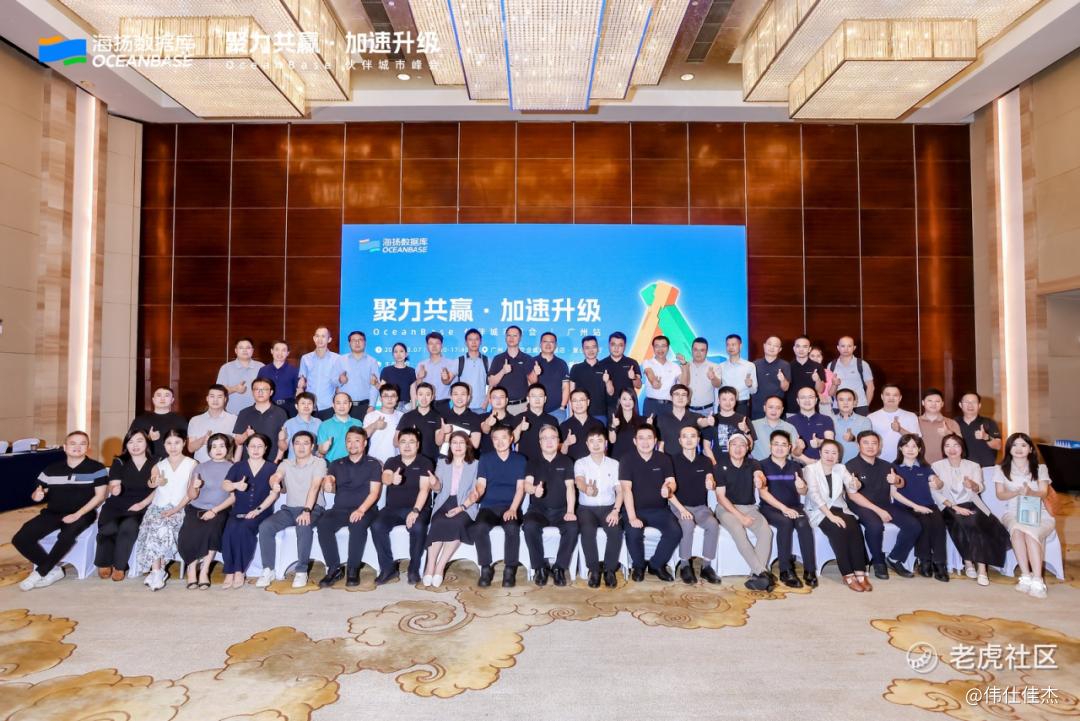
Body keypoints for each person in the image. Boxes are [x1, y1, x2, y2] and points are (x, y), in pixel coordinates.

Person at [16, 431, 108, 591]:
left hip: (83, 513)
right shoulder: (51, 469)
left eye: (82, 443)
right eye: (73, 443)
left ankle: (40, 573)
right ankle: (53, 569)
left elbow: (99, 496)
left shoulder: (96, 468)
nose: (77, 447)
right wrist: (36, 496)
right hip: (53, 512)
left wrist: (78, 514)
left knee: (66, 535)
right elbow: (38, 493)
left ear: (88, 447)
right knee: (21, 538)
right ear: (65, 447)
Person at [931, 433, 1009, 587]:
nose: (952, 449)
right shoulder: (936, 466)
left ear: (962, 448)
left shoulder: (973, 466)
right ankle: (969, 563)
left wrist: (972, 485)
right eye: (947, 445)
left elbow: (979, 488)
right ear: (943, 449)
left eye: (956, 445)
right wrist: (955, 507)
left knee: (981, 525)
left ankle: (981, 569)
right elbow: (934, 492)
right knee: (966, 523)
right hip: (949, 506)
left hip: (972, 503)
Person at [255, 431, 329, 589]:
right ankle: (268, 569)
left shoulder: (319, 463)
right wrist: (274, 482)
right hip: (289, 509)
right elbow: (276, 476)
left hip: (313, 508)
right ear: (292, 446)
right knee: (265, 526)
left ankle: (301, 571)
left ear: (312, 446)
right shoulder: (286, 463)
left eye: (306, 443)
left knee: (303, 524)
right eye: (297, 443)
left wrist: (307, 510)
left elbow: (315, 487)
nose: (301, 447)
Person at [844, 430, 920, 579]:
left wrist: (897, 480)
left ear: (879, 446)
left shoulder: (886, 465)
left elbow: (900, 484)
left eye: (874, 443)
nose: (870, 446)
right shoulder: (850, 466)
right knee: (875, 526)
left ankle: (894, 559)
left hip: (884, 503)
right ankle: (878, 562)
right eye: (866, 443)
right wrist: (878, 511)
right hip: (860, 505)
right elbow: (853, 495)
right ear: (858, 445)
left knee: (914, 525)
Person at [316, 427, 383, 588]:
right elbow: (330, 484)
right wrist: (328, 483)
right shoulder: (336, 463)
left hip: (366, 509)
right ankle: (334, 569)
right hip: (340, 509)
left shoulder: (373, 464)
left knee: (357, 524)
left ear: (364, 443)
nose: (352, 444)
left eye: (357, 441)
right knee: (323, 524)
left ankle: (353, 568)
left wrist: (361, 510)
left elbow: (374, 493)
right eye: (349, 441)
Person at [804, 440, 872, 592]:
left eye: (834, 453)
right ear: (820, 453)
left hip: (839, 507)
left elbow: (852, 486)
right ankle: (847, 574)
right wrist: (831, 516)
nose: (830, 456)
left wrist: (855, 484)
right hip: (819, 510)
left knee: (854, 527)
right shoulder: (810, 469)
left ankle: (860, 573)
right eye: (826, 452)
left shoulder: (840, 468)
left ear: (838, 455)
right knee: (837, 529)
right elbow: (814, 496)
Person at [132, 429, 196, 590]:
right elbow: (152, 483)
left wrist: (176, 509)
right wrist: (154, 482)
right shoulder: (159, 465)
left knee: (162, 526)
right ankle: (157, 571)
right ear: (164, 445)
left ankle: (157, 571)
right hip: (157, 507)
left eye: (177, 443)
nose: (173, 447)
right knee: (154, 523)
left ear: (184, 443)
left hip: (180, 508)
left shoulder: (192, 464)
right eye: (169, 443)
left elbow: (191, 493)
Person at [994, 433, 1055, 599]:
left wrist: (1030, 492)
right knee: (1017, 531)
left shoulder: (1040, 468)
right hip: (1013, 512)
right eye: (1014, 445)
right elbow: (1000, 495)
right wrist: (1016, 492)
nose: (1019, 449)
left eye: (1023, 445)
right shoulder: (1001, 469)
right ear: (1009, 449)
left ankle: (1038, 580)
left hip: (1039, 512)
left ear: (1030, 449)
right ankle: (1026, 575)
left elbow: (1043, 493)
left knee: (1030, 533)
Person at [619, 424, 681, 582]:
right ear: (635, 441)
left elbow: (672, 482)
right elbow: (626, 489)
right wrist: (632, 517)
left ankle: (656, 565)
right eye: (641, 438)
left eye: (649, 438)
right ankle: (638, 566)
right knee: (633, 532)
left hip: (660, 510)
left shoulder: (664, 459)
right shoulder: (627, 459)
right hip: (635, 510)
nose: (645, 442)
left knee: (675, 532)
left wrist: (669, 488)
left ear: (655, 441)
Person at [372, 428, 434, 585]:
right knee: (377, 525)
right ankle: (388, 569)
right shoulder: (392, 461)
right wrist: (392, 478)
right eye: (403, 442)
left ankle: (414, 568)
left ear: (418, 445)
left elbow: (424, 489)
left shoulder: (425, 462)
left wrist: (415, 511)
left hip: (419, 508)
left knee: (418, 527)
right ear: (398, 444)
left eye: (411, 442)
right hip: (392, 509)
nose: (407, 446)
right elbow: (385, 477)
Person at [712, 434, 773, 591]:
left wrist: (760, 480)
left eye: (742, 445)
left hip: (749, 507)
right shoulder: (720, 465)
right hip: (726, 508)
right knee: (738, 531)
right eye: (734, 444)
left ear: (747, 448)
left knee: (766, 532)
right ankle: (763, 572)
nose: (738, 448)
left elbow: (759, 476)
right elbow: (720, 497)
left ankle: (757, 576)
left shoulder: (753, 463)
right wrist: (740, 517)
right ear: (728, 446)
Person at [757, 431, 817, 588]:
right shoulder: (761, 465)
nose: (779, 448)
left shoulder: (795, 466)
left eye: (783, 445)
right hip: (770, 508)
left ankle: (810, 570)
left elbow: (802, 491)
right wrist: (783, 508)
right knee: (785, 523)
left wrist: (802, 487)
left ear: (789, 447)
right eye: (776, 444)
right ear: (770, 446)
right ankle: (785, 571)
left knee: (803, 524)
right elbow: (762, 493)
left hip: (794, 506)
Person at [520, 425, 579, 586]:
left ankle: (559, 568)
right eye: (544, 438)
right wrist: (534, 490)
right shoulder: (533, 462)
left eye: (553, 437)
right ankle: (539, 567)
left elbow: (570, 487)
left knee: (573, 527)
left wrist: (570, 511)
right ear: (540, 442)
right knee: (529, 526)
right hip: (538, 510)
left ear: (558, 441)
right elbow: (527, 485)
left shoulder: (566, 461)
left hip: (561, 511)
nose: (549, 441)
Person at [94, 429, 155, 582]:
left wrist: (142, 504)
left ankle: (119, 566)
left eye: (139, 441)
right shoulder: (119, 461)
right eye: (131, 442)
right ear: (126, 445)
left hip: (140, 507)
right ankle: (104, 562)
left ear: (147, 443)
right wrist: (115, 488)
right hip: (116, 505)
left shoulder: (156, 462)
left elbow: (158, 489)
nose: (135, 445)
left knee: (129, 526)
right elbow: (114, 484)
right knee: (109, 528)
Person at [219, 433, 279, 589]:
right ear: (246, 448)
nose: (256, 450)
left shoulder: (272, 468)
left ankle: (239, 571)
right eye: (252, 446)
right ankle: (229, 571)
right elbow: (225, 484)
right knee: (230, 529)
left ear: (266, 448)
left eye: (260, 446)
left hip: (261, 512)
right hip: (238, 510)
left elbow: (274, 494)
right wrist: (235, 486)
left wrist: (258, 510)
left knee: (244, 528)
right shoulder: (238, 466)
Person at [423, 431, 482, 587]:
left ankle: (440, 567)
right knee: (437, 522)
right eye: (454, 442)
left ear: (467, 446)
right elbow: (438, 488)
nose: (458, 446)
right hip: (444, 502)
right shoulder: (443, 463)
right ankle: (430, 566)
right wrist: (434, 483)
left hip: (465, 504)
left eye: (461, 443)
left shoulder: (476, 464)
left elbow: (474, 491)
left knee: (457, 523)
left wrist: (462, 507)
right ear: (449, 446)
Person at [471, 425, 527, 587]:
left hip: (510, 506)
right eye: (496, 438)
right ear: (492, 440)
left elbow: (520, 488)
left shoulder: (520, 459)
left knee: (512, 528)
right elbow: (481, 484)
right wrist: (477, 493)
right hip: (488, 507)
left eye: (504, 438)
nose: (500, 442)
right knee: (479, 527)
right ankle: (485, 568)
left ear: (511, 439)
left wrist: (513, 508)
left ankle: (510, 569)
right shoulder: (485, 459)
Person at [178, 433, 235, 589]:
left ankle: (204, 570)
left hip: (219, 509)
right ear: (209, 449)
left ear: (227, 448)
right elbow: (191, 495)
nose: (218, 450)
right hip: (196, 507)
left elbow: (233, 497)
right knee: (189, 532)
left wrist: (214, 511)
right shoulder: (200, 467)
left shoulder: (232, 467)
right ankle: (191, 570)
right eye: (214, 446)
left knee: (213, 528)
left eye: (222, 446)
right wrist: (194, 487)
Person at [668, 426, 722, 585]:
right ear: (680, 440)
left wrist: (711, 483)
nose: (689, 439)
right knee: (687, 524)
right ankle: (685, 565)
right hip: (679, 506)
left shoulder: (706, 461)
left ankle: (706, 566)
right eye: (685, 436)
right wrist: (682, 510)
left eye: (693, 436)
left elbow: (710, 479)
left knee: (713, 524)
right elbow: (668, 491)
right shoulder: (671, 461)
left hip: (700, 507)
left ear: (698, 440)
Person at [892, 434, 949, 582]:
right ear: (900, 448)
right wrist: (917, 507)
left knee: (939, 524)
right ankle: (924, 561)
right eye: (906, 446)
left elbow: (936, 483)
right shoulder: (894, 467)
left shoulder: (925, 467)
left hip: (928, 504)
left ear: (919, 449)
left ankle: (940, 564)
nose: (910, 449)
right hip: (906, 507)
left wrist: (937, 482)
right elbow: (894, 493)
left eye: (914, 446)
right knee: (923, 523)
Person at [574, 428, 624, 588]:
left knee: (615, 530)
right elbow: (579, 481)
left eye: (599, 441)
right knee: (587, 531)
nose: (596, 445)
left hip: (609, 508)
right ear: (587, 444)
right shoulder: (580, 463)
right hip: (586, 509)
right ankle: (594, 570)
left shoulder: (614, 464)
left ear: (606, 443)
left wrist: (616, 510)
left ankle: (610, 570)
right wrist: (586, 489)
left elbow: (620, 490)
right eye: (592, 441)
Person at [232, 377, 288, 462]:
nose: (260, 392)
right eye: (256, 389)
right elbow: (238, 442)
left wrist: (276, 463)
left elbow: (284, 443)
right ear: (252, 392)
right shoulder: (244, 413)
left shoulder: (281, 413)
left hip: (272, 462)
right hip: (248, 463)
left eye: (264, 389)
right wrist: (246, 435)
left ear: (271, 392)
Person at [655, 384, 714, 462]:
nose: (680, 397)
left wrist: (708, 421)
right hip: (670, 462)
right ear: (671, 398)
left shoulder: (695, 416)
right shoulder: (662, 418)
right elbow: (660, 446)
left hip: (691, 462)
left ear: (688, 399)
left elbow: (701, 422)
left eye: (684, 395)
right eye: (677, 394)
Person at [489, 326, 536, 415]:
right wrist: (503, 371)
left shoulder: (527, 358)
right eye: (509, 335)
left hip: (522, 406)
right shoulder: (498, 358)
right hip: (501, 405)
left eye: (515, 335)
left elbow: (533, 382)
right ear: (505, 338)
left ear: (520, 338)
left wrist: (535, 372)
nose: (511, 338)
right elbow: (491, 382)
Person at [128, 386, 187, 457]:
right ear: (153, 399)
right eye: (159, 395)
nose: (162, 398)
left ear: (172, 400)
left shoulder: (180, 420)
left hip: (173, 460)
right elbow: (129, 442)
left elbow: (186, 444)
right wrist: (148, 438)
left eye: (166, 395)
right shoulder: (140, 420)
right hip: (147, 460)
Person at [297, 327, 342, 418]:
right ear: (314, 338)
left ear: (329, 339)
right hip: (309, 406)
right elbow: (302, 383)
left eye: (323, 336)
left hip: (329, 406)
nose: (320, 339)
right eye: (317, 336)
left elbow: (339, 385)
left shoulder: (337, 359)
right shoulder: (305, 358)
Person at [868, 384, 920, 462]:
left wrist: (900, 430)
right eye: (887, 395)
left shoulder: (911, 416)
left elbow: (917, 440)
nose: (891, 398)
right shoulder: (871, 417)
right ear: (882, 396)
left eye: (895, 395)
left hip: (905, 462)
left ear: (900, 398)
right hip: (879, 462)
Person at [337, 330, 381, 420]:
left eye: (360, 340)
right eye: (354, 340)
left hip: (364, 407)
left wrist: (372, 405)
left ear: (365, 343)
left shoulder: (372, 361)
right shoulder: (340, 360)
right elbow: (333, 381)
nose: (357, 343)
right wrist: (340, 380)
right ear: (349, 343)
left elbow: (374, 386)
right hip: (344, 406)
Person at [187, 385, 237, 463]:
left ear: (225, 399)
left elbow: (238, 445)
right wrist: (203, 440)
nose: (215, 400)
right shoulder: (195, 420)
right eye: (212, 396)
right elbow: (190, 448)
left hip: (226, 466)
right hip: (201, 466)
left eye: (219, 397)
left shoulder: (234, 419)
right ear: (207, 398)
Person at [599, 331, 642, 417]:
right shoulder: (601, 364)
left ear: (625, 346)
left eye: (620, 345)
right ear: (609, 345)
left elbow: (639, 385)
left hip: (629, 405)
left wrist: (633, 377)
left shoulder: (632, 363)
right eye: (613, 344)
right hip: (609, 406)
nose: (616, 348)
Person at [826, 336, 873, 415]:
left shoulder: (862, 364)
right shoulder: (831, 365)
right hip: (838, 406)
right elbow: (829, 391)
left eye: (849, 346)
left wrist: (866, 405)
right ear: (838, 348)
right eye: (843, 346)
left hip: (859, 406)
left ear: (854, 348)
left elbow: (871, 387)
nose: (846, 349)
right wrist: (834, 384)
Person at [569, 335, 612, 422]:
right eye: (587, 348)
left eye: (593, 347)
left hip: (600, 413)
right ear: (583, 350)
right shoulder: (576, 368)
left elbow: (611, 392)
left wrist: (607, 381)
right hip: (580, 413)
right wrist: (571, 414)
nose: (591, 350)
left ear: (598, 349)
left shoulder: (606, 367)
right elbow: (571, 392)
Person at [706, 387, 755, 461]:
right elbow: (706, 446)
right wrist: (714, 463)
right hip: (717, 462)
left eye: (731, 399)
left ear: (736, 400)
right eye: (724, 399)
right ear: (718, 400)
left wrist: (746, 431)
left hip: (739, 463)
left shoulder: (744, 420)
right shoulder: (712, 420)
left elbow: (750, 447)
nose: (728, 403)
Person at [397, 382, 442, 463]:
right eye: (421, 394)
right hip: (410, 461)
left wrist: (443, 431)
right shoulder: (407, 416)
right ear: (416, 396)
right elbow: (395, 442)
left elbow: (438, 443)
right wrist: (410, 435)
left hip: (431, 461)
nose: (424, 398)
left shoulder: (437, 417)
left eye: (427, 395)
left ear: (432, 397)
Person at [514, 383, 560, 462]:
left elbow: (558, 444)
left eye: (540, 396)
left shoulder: (552, 420)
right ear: (528, 399)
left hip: (547, 462)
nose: (537, 399)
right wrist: (520, 428)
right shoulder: (519, 418)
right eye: (534, 396)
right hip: (525, 462)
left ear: (545, 399)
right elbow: (512, 440)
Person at [217, 338, 264, 414]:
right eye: (241, 347)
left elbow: (267, 391)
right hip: (232, 414)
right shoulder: (226, 368)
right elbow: (218, 392)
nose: (245, 350)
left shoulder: (261, 367)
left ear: (252, 350)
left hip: (257, 413)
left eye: (248, 348)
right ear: (236, 350)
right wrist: (234, 389)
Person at [789, 387, 834, 464]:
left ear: (816, 400)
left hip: (823, 464)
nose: (807, 400)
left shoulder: (826, 419)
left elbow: (831, 443)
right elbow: (790, 449)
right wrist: (810, 462)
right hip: (798, 465)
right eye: (803, 397)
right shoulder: (789, 421)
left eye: (810, 397)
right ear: (798, 401)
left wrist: (820, 442)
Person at [956, 392, 1002, 468]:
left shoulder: (989, 422)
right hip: (961, 468)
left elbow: (998, 446)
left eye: (974, 402)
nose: (970, 405)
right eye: (967, 402)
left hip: (985, 468)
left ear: (979, 405)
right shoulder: (954, 423)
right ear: (960, 405)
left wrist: (986, 437)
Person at [414, 331, 457, 411]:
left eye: (437, 343)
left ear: (442, 345)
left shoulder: (451, 364)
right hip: (426, 405)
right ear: (427, 346)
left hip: (444, 405)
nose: (434, 346)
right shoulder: (421, 365)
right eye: (431, 343)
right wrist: (420, 378)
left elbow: (455, 387)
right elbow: (418, 388)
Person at [559, 389, 606, 462]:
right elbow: (561, 454)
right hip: (572, 466)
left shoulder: (598, 424)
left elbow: (604, 449)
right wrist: (566, 443)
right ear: (571, 404)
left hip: (594, 465)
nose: (578, 404)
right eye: (575, 401)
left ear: (588, 402)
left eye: (582, 400)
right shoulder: (564, 426)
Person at [641, 335, 682, 418]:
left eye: (663, 346)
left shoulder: (675, 366)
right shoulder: (647, 362)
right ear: (653, 348)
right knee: (649, 426)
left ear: (668, 348)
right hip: (651, 405)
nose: (660, 349)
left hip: (669, 405)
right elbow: (650, 374)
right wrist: (654, 382)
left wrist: (684, 364)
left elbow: (684, 382)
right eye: (657, 346)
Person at [256, 340, 299, 418]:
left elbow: (297, 391)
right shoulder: (263, 370)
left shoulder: (294, 370)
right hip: (268, 406)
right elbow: (258, 390)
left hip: (289, 408)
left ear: (288, 353)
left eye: (283, 350)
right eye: (277, 349)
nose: (280, 353)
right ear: (271, 351)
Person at [716, 334, 757, 417]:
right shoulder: (720, 366)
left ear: (740, 346)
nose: (730, 347)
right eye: (728, 345)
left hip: (742, 406)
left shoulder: (750, 366)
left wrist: (749, 385)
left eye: (733, 344)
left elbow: (754, 391)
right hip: (724, 406)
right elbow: (717, 387)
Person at [436, 381, 483, 454]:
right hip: (446, 457)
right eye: (455, 394)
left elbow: (475, 444)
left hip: (467, 458)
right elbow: (438, 442)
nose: (459, 397)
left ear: (468, 397)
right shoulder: (443, 416)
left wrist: (449, 437)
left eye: (463, 394)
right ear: (451, 397)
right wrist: (442, 431)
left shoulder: (475, 417)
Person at [916, 388, 961, 464]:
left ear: (942, 404)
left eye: (937, 401)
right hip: (920, 465)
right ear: (923, 402)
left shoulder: (951, 422)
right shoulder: (915, 421)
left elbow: (961, 445)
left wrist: (950, 433)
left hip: (946, 465)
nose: (933, 404)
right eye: (930, 401)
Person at [751, 336, 790, 420]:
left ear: (780, 349)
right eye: (769, 344)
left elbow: (786, 388)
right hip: (757, 409)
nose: (772, 347)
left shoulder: (785, 365)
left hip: (776, 410)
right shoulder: (754, 364)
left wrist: (782, 380)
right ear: (764, 346)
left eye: (776, 346)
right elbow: (751, 388)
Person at [678, 337, 720, 416]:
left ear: (706, 351)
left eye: (702, 350)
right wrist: (684, 366)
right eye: (695, 349)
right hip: (687, 410)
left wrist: (713, 378)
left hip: (706, 411)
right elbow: (682, 385)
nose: (698, 353)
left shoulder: (714, 366)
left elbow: (718, 384)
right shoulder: (684, 366)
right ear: (691, 350)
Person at [535, 331, 570, 422]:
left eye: (551, 342)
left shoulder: (562, 364)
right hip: (535, 410)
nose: (548, 344)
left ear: (556, 345)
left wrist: (562, 406)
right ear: (540, 344)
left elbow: (566, 387)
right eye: (545, 341)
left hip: (557, 411)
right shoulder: (532, 361)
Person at [478, 385, 524, 455]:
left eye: (501, 397)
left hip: (507, 458)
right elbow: (485, 430)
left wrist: (520, 427)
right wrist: (488, 423)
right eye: (495, 397)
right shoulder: (482, 417)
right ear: (490, 400)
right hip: (486, 457)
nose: (498, 400)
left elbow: (514, 440)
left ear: (506, 400)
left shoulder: (514, 419)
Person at [364, 384, 404, 463]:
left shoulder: (402, 416)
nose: (389, 399)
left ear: (397, 398)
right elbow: (363, 436)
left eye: (393, 396)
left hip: (396, 461)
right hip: (374, 461)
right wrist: (374, 425)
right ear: (380, 398)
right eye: (386, 396)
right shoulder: (371, 416)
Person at [785, 336, 825, 415]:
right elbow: (784, 388)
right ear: (794, 348)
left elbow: (820, 390)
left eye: (805, 346)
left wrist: (817, 380)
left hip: (812, 409)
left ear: (809, 349)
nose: (801, 349)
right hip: (791, 410)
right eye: (798, 346)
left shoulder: (817, 366)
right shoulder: (787, 366)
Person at [750, 396, 798, 461]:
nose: (774, 411)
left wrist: (799, 447)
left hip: (783, 465)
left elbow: (794, 452)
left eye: (778, 408)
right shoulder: (753, 425)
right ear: (764, 408)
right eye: (770, 407)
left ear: (782, 410)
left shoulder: (790, 428)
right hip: (758, 465)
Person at [831, 388, 872, 463]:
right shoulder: (830, 420)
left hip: (858, 464)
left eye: (849, 400)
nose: (845, 403)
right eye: (841, 400)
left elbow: (868, 443)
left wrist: (853, 438)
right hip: (835, 464)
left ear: (855, 402)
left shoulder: (865, 421)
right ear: (836, 403)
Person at [316, 391, 359, 462]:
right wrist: (324, 448)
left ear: (350, 404)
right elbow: (320, 450)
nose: (342, 406)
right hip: (332, 464)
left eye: (345, 403)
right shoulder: (324, 425)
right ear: (333, 405)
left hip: (355, 463)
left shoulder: (358, 423)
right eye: (338, 403)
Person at [455, 328, 489, 413]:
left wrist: (486, 401)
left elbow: (492, 384)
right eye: (470, 339)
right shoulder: (459, 361)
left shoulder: (487, 361)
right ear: (466, 342)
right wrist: (444, 377)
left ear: (480, 342)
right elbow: (447, 381)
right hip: (462, 406)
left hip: (481, 406)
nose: (474, 342)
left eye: (476, 339)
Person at [279, 391, 321, 459]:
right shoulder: (289, 423)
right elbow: (284, 448)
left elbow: (320, 446)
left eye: (309, 403)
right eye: (303, 403)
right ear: (296, 406)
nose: (306, 406)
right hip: (294, 463)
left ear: (313, 406)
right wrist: (281, 440)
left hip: (314, 463)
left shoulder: (319, 422)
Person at [607, 387, 645, 461]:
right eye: (624, 399)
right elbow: (612, 440)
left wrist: (649, 426)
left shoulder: (643, 420)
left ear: (634, 401)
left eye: (630, 399)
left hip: (636, 459)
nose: (627, 402)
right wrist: (613, 426)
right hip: (618, 460)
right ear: (620, 401)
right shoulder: (614, 419)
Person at [381, 342, 417, 409]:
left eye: (401, 351)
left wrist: (414, 409)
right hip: (390, 406)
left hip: (407, 406)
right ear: (393, 354)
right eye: (396, 352)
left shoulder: (412, 371)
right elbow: (382, 390)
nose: (398, 354)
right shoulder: (386, 371)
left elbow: (413, 392)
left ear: (406, 354)